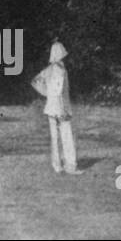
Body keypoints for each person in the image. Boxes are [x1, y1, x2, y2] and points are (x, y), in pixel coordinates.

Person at [32, 41, 82, 175]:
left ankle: (57, 166)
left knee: (55, 138)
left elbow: (35, 81)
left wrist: (47, 94)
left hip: (50, 107)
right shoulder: (60, 70)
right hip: (60, 107)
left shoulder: (48, 70)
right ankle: (70, 166)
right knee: (66, 136)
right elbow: (59, 90)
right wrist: (62, 109)